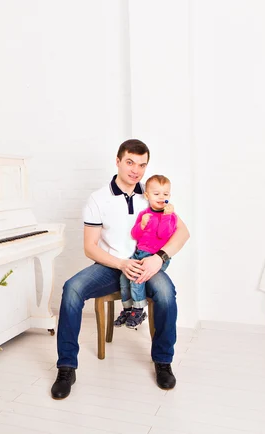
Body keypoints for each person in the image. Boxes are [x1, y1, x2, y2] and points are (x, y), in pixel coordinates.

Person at [50, 139, 190, 400]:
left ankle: (163, 361)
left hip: (146, 265)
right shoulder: (98, 199)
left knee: (166, 293)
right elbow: (90, 248)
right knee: (72, 289)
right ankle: (66, 367)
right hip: (111, 267)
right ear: (117, 161)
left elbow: (183, 233)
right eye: (130, 162)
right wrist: (121, 264)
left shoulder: (151, 194)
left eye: (142, 164)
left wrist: (158, 258)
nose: (135, 170)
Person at [114, 175, 178, 329]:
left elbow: (164, 234)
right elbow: (135, 235)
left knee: (137, 277)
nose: (161, 197)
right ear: (147, 196)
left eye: (165, 194)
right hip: (140, 254)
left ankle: (138, 309)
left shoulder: (170, 217)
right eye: (157, 194)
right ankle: (127, 309)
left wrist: (166, 216)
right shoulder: (144, 214)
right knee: (124, 276)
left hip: (155, 258)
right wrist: (141, 225)